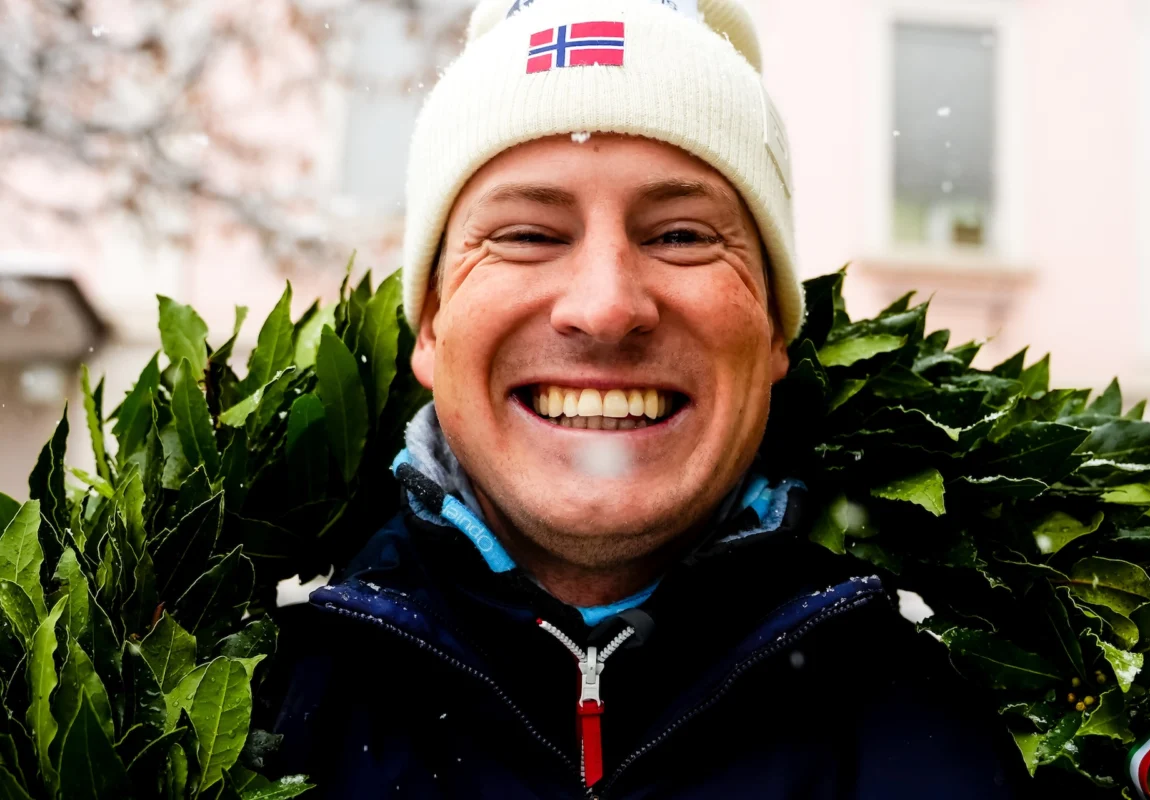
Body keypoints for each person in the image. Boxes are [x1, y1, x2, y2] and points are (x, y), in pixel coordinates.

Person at [272, 0, 1026, 796]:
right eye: (528, 234)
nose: (605, 308)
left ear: (775, 325)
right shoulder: (261, 698)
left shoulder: (953, 711)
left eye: (681, 235)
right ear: (429, 323)